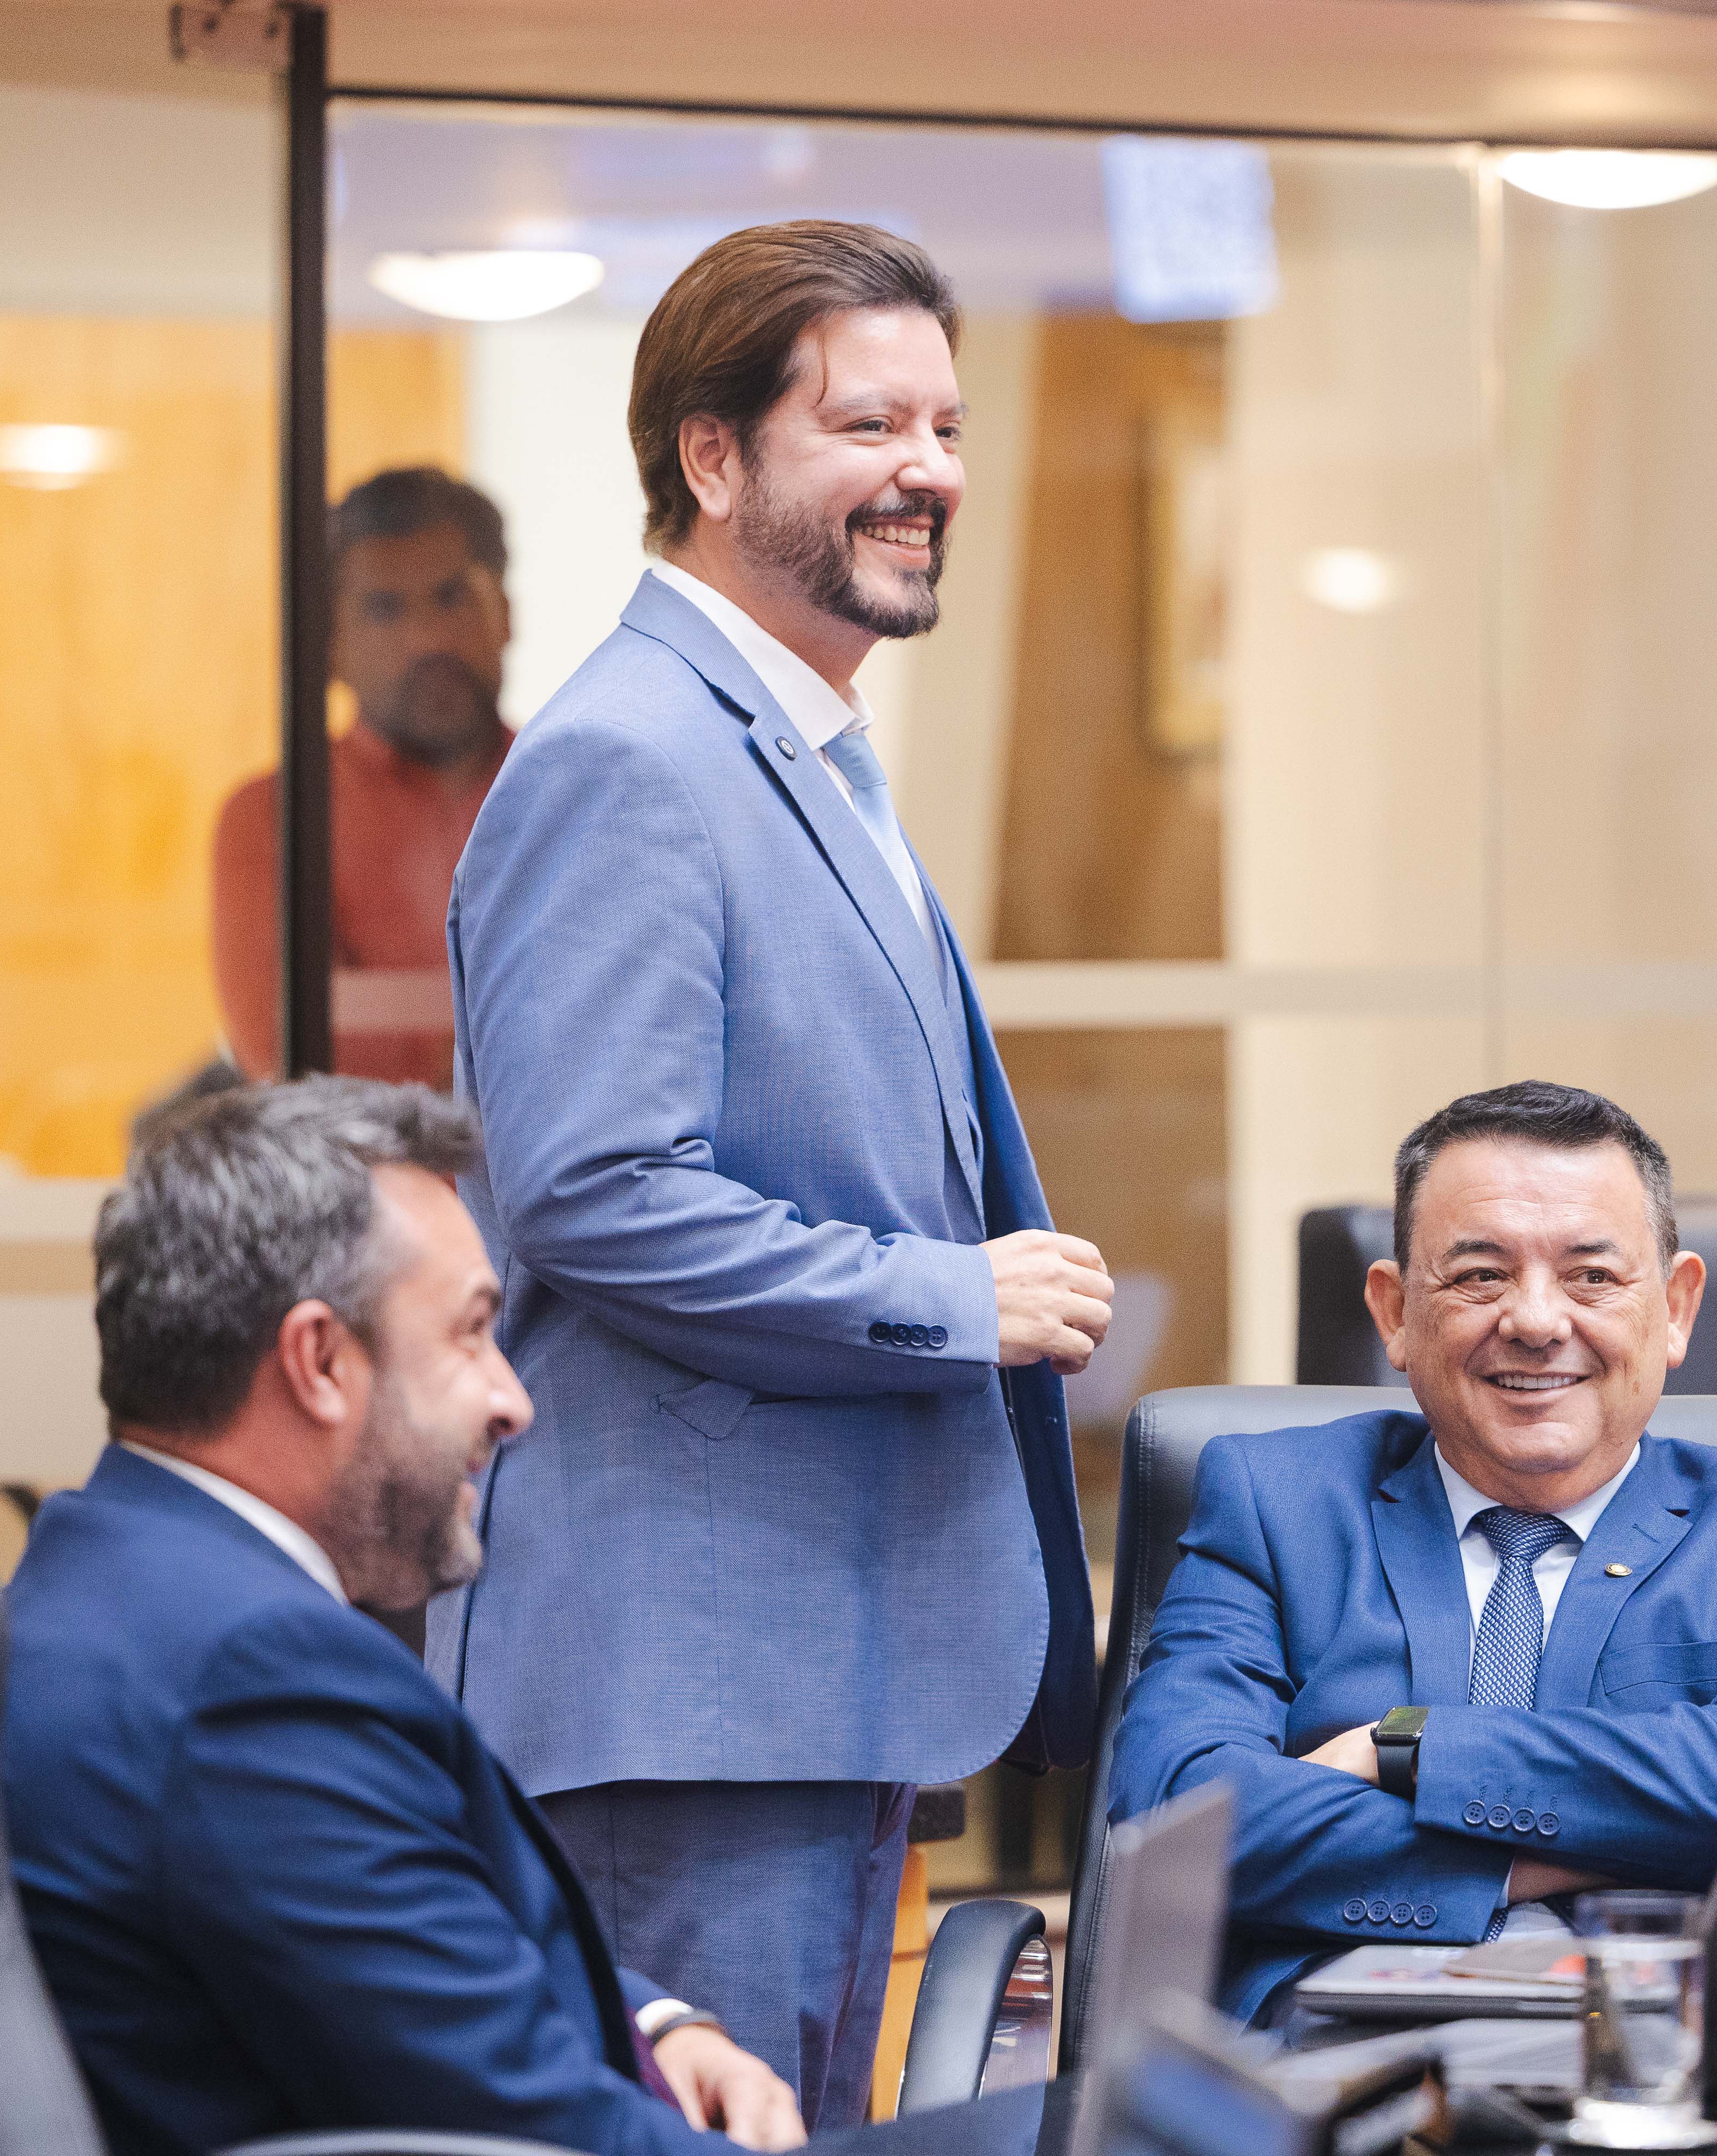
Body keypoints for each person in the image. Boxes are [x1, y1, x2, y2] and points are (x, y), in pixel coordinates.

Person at [434, 220, 1112, 2129]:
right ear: (713, 457)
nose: (929, 472)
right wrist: (950, 1297)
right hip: (689, 1696)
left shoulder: (799, 748)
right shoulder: (633, 757)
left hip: (814, 1666)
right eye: (867, 424)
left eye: (947, 427)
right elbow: (596, 1193)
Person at [1, 1080, 802, 2156]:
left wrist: (657, 2025)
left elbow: (404, 1958)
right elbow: (535, 2126)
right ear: (320, 1361)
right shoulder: (253, 1680)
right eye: (471, 1333)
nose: (513, 1401)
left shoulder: (105, 1579)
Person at [1111, 1081, 1717, 2024]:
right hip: (1335, 2051)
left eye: (1591, 1277)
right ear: (1395, 1313)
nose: (1535, 1321)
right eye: (1481, 1275)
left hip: (1665, 2047)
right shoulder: (1276, 1502)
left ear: (1678, 1307)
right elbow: (1176, 1821)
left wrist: (1408, 1748)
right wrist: (1606, 1841)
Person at [212, 466, 515, 1088]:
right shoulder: (275, 819)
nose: (428, 639)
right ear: (329, 649)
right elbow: (287, 1066)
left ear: (505, 613)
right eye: (384, 609)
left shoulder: (581, 795)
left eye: (451, 597)